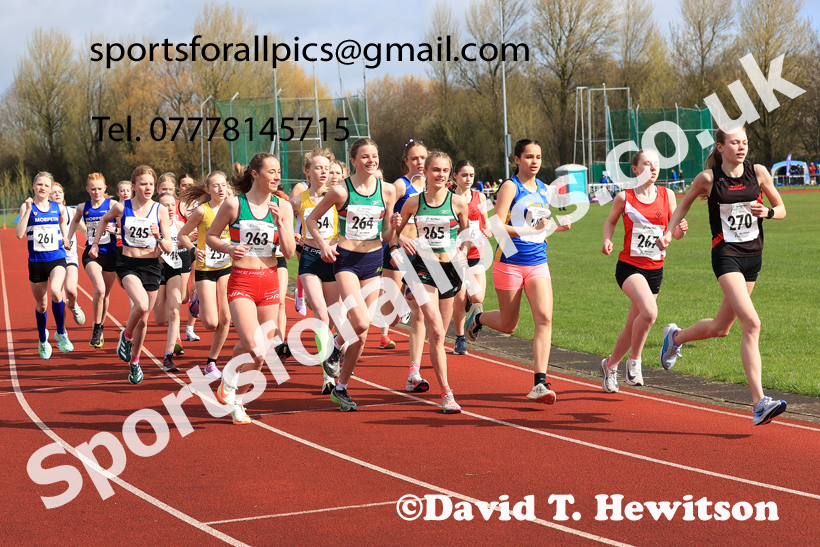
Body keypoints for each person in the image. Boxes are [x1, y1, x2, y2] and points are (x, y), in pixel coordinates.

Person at [656, 128, 787, 426]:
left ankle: (674, 337)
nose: (741, 147)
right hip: (726, 256)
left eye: (744, 142)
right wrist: (668, 234)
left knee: (721, 328)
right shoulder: (709, 178)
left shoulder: (758, 172)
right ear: (721, 146)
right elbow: (683, 205)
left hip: (753, 258)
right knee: (752, 323)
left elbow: (781, 209)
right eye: (734, 142)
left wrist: (766, 212)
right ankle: (758, 403)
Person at [465, 139, 571, 404]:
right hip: (510, 261)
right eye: (528, 157)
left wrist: (555, 227)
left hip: (538, 262)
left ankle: (539, 383)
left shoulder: (545, 189)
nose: (534, 162)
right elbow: (497, 225)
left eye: (538, 157)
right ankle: (477, 319)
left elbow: (539, 225)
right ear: (517, 160)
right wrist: (530, 230)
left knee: (545, 318)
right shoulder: (511, 186)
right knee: (509, 325)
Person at [308, 137, 397, 411]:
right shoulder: (341, 190)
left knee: (363, 333)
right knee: (358, 321)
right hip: (346, 260)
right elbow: (311, 219)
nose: (371, 161)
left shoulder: (388, 191)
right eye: (365, 157)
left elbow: (385, 235)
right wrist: (323, 244)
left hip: (373, 261)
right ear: (354, 161)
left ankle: (342, 388)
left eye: (375, 156)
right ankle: (335, 347)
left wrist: (394, 227)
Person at [213, 153, 296, 425]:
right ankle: (231, 384)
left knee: (260, 356)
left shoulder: (282, 207)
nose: (277, 176)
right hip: (242, 281)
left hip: (270, 281)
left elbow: (290, 252)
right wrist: (227, 247)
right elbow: (212, 236)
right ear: (256, 174)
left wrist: (282, 224)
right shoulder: (234, 204)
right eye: (271, 171)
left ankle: (236, 398)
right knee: (254, 348)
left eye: (279, 171)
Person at [600, 150, 688, 392]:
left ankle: (610, 365)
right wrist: (608, 239)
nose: (653, 168)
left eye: (657, 164)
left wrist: (680, 229)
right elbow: (610, 221)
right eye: (647, 164)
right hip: (629, 267)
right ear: (635, 169)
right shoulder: (624, 198)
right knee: (649, 313)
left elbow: (675, 233)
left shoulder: (667, 195)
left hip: (655, 268)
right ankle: (635, 362)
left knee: (633, 325)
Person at [391, 151, 470, 413]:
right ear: (424, 172)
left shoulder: (458, 203)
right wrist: (398, 242)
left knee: (440, 337)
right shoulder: (413, 203)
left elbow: (467, 235)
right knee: (435, 329)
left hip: (449, 270)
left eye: (445, 170)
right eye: (435, 170)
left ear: (449, 174)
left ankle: (419, 380)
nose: (440, 175)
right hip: (423, 267)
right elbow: (393, 235)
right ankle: (447, 393)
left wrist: (464, 252)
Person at [89, 166, 172, 384]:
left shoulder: (160, 210)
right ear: (134, 187)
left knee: (143, 321)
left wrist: (159, 236)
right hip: (128, 265)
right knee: (142, 305)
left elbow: (169, 247)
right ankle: (125, 336)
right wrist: (96, 243)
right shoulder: (122, 206)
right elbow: (104, 220)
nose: (148, 187)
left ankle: (135, 362)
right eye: (143, 184)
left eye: (151, 184)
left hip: (152, 266)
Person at [290, 147, 341, 394]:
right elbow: (279, 223)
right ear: (307, 171)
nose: (323, 172)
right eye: (318, 168)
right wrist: (292, 233)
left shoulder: (339, 197)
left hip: (333, 259)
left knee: (334, 318)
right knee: (321, 316)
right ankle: (327, 376)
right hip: (309, 260)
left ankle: (331, 358)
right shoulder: (299, 200)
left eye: (327, 168)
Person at [178, 172, 233, 381]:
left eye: (223, 184)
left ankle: (211, 362)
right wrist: (193, 250)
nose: (221, 189)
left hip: (226, 267)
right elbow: (182, 234)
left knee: (226, 318)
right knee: (211, 323)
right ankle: (197, 300)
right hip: (205, 268)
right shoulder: (203, 211)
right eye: (216, 186)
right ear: (208, 190)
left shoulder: (233, 209)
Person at [16, 172, 74, 359]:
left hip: (57, 257)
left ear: (50, 189)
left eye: (46, 185)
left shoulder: (58, 208)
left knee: (57, 292)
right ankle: (43, 339)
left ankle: (61, 333)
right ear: (34, 186)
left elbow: (63, 223)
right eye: (39, 184)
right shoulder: (27, 207)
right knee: (41, 305)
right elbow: (19, 234)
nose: (42, 188)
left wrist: (65, 237)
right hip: (36, 262)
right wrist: (26, 209)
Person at [379, 139, 427, 354]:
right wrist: (397, 239)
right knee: (392, 316)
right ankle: (356, 313)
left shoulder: (431, 184)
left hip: (423, 253)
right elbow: (384, 215)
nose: (419, 162)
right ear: (406, 161)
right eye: (414, 158)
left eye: (423, 158)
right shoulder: (400, 185)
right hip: (398, 249)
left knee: (422, 307)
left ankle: (415, 364)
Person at [67, 174, 119, 348]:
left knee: (105, 295)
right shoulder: (83, 207)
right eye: (93, 189)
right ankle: (97, 328)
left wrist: (116, 229)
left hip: (111, 253)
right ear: (87, 189)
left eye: (99, 188)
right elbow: (75, 221)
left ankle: (100, 325)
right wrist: (68, 237)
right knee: (100, 288)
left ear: (105, 189)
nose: (96, 192)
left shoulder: (113, 205)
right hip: (92, 253)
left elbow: (124, 226)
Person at [451, 160, 492, 355]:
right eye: (464, 175)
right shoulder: (449, 198)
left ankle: (471, 314)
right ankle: (460, 339)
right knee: (459, 296)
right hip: (456, 253)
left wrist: (487, 230)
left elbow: (484, 222)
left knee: (477, 297)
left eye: (471, 175)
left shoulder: (480, 196)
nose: (468, 179)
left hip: (477, 250)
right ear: (455, 177)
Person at [154, 192, 192, 372]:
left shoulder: (179, 225)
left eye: (172, 205)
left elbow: (189, 241)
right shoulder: (152, 226)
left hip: (174, 269)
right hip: (156, 270)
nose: (169, 208)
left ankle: (168, 356)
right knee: (160, 319)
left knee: (175, 313)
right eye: (165, 205)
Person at [50, 182, 85, 327]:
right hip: (53, 258)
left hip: (69, 256)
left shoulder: (71, 212)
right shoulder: (45, 213)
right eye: (54, 192)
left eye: (60, 191)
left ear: (64, 195)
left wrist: (94, 242)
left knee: (71, 290)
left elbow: (85, 230)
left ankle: (74, 304)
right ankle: (62, 330)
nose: (58, 194)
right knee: (58, 295)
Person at [177, 173, 200, 343]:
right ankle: (175, 324)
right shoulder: (175, 205)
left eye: (190, 185)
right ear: (179, 188)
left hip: (200, 248)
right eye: (184, 185)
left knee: (195, 288)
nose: (187, 188)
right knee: (182, 295)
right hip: (181, 249)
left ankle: (189, 328)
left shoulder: (200, 204)